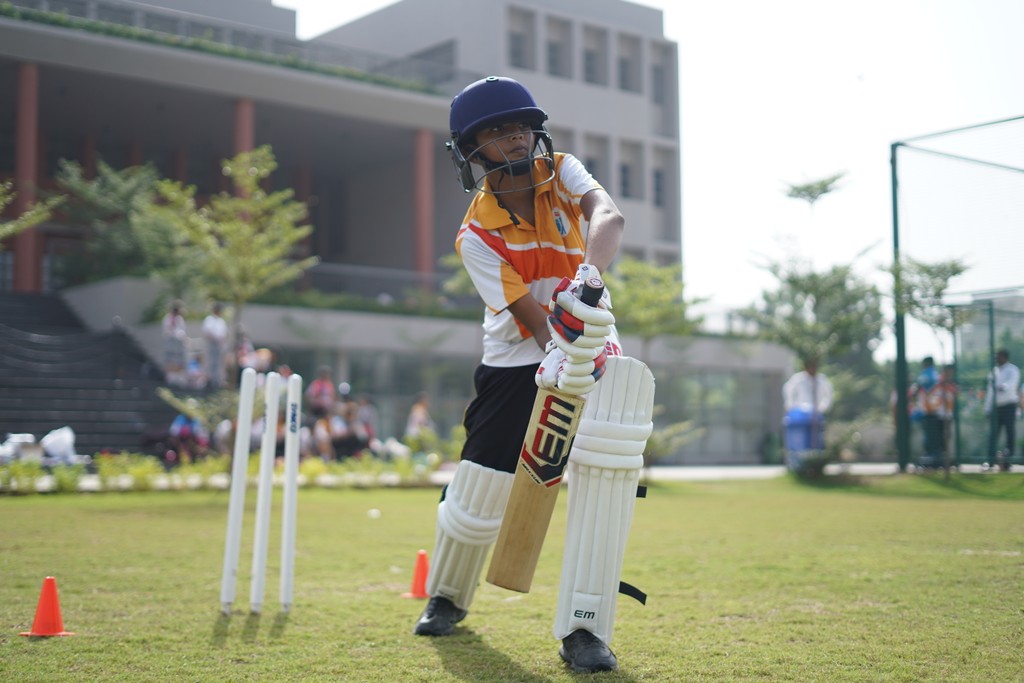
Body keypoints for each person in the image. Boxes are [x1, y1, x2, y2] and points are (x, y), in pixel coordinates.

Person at [412, 76, 644, 675]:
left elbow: (609, 216)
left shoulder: (564, 170)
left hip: (595, 341)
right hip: (518, 360)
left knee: (604, 479)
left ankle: (584, 631)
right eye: (496, 130)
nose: (514, 137)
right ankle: (448, 593)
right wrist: (561, 348)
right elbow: (531, 318)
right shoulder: (476, 235)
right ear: (472, 149)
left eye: (520, 126)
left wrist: (587, 280)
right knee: (481, 490)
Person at [781, 356, 833, 470]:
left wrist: (822, 408)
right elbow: (788, 391)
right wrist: (791, 407)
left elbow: (828, 395)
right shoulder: (798, 379)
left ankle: (813, 464)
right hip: (799, 415)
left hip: (815, 415)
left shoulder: (821, 380)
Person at [984, 348, 1020, 471]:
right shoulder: (993, 372)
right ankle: (990, 461)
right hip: (996, 407)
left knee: (1010, 434)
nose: (996, 358)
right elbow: (990, 392)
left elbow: (1010, 384)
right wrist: (987, 408)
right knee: (993, 435)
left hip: (1009, 405)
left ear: (1005, 357)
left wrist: (1003, 387)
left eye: (998, 356)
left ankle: (1008, 461)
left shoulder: (1012, 370)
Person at [910, 356, 942, 468]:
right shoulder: (936, 374)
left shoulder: (928, 374)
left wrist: (914, 392)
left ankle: (931, 458)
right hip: (934, 410)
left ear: (927, 364)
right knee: (934, 436)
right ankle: (933, 456)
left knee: (930, 436)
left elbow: (918, 386)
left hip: (930, 410)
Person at [201, 302, 229, 390]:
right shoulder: (209, 320)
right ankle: (208, 380)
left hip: (219, 345)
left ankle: (216, 380)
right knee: (210, 362)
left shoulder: (221, 321)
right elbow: (207, 332)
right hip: (211, 344)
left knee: (218, 363)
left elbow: (224, 333)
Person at [161, 300, 189, 387]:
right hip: (171, 344)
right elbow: (167, 331)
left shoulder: (179, 319)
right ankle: (171, 379)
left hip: (178, 345)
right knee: (170, 361)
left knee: (179, 362)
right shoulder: (167, 319)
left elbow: (182, 331)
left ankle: (179, 379)